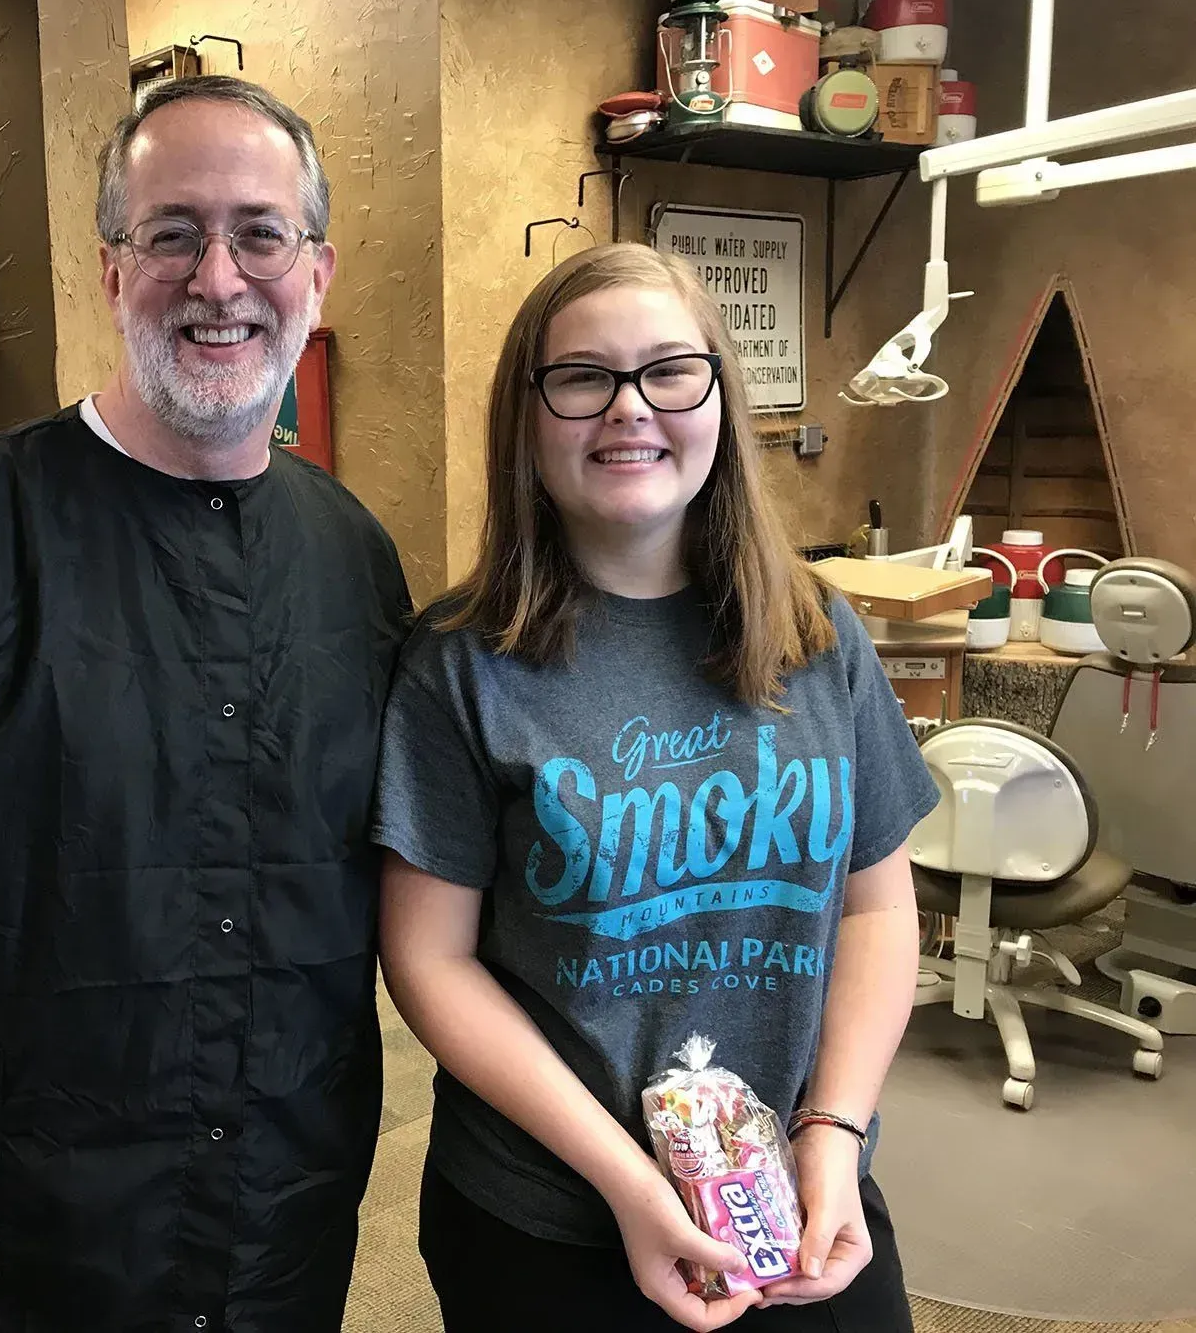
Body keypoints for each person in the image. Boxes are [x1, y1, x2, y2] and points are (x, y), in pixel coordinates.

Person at [0, 75, 411, 1333]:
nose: (219, 279)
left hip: (281, 1233)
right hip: (16, 1248)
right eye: (174, 233)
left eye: (261, 234)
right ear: (114, 272)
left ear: (318, 272)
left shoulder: (355, 558)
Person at [373, 243, 939, 1333]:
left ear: (719, 396)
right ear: (528, 415)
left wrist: (831, 1131)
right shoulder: (460, 663)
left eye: (670, 370)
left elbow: (876, 908)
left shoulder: (819, 634)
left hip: (798, 1189)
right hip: (556, 1216)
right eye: (584, 377)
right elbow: (430, 960)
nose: (630, 407)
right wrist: (633, 1187)